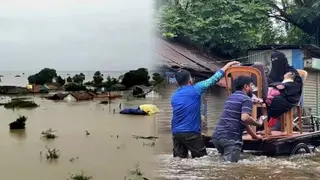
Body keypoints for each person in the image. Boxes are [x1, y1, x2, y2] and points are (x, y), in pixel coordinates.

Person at [171, 61, 240, 159]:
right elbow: (214, 79)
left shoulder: (174, 95)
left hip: (176, 133)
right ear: (190, 80)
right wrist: (228, 65)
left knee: (179, 161)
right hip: (191, 133)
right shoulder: (196, 89)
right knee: (201, 160)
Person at [212, 75, 264, 163]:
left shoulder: (229, 98)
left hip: (217, 137)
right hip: (231, 138)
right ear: (246, 86)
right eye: (251, 86)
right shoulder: (246, 99)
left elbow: (243, 123)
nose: (252, 88)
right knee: (229, 168)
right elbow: (245, 118)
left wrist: (255, 136)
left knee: (223, 164)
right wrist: (258, 123)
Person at [267, 51, 303, 130]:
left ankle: (269, 127)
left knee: (278, 100)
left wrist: (284, 86)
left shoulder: (291, 71)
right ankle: (261, 125)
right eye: (273, 60)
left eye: (277, 60)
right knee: (261, 100)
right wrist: (276, 85)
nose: (275, 62)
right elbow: (269, 82)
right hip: (273, 95)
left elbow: (297, 85)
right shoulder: (272, 73)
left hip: (290, 97)